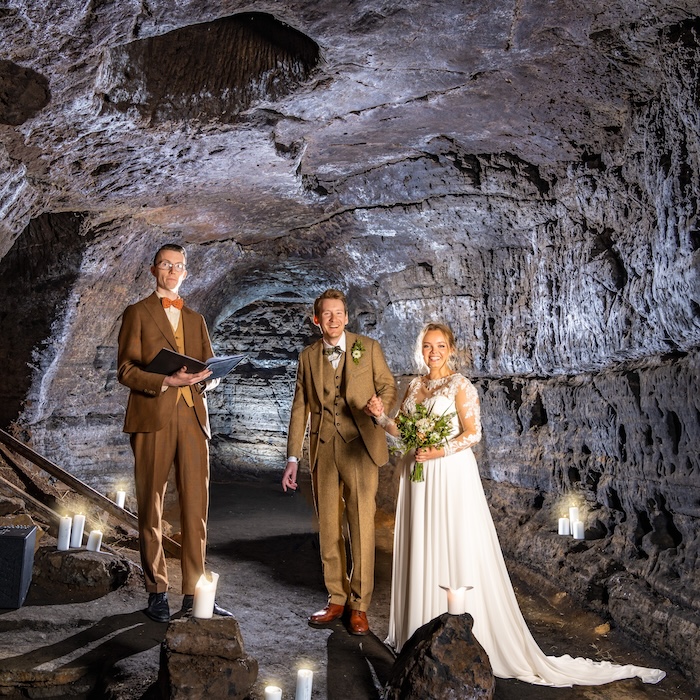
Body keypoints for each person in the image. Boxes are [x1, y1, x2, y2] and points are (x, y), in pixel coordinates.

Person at [368, 322, 666, 686]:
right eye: (428, 346)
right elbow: (402, 428)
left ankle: (452, 626)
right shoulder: (414, 386)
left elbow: (473, 433)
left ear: (451, 349)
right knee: (421, 544)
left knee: (450, 542)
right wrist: (380, 416)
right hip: (417, 476)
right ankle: (418, 629)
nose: (433, 353)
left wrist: (439, 450)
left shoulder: (461, 386)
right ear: (421, 349)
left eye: (440, 346)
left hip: (448, 474)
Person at [118, 243, 233, 622]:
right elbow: (126, 371)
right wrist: (165, 379)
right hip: (153, 415)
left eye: (178, 266)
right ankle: (156, 592)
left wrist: (207, 380)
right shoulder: (137, 313)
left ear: (185, 273)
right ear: (154, 269)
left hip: (193, 419)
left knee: (196, 509)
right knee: (151, 504)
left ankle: (194, 592)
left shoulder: (196, 319)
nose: (172, 271)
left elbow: (207, 372)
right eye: (166, 265)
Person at [282, 289, 397, 635]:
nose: (333, 319)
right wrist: (292, 458)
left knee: (361, 524)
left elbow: (389, 387)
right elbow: (299, 407)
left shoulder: (369, 348)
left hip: (361, 445)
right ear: (317, 320)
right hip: (323, 450)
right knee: (329, 527)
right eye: (326, 314)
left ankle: (359, 605)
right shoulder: (307, 357)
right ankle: (336, 597)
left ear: (347, 317)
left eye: (339, 313)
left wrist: (380, 405)